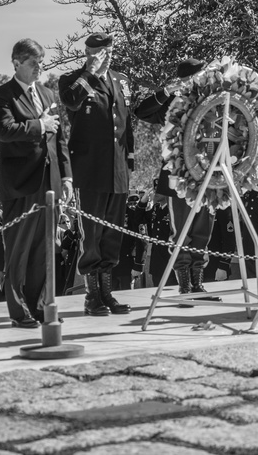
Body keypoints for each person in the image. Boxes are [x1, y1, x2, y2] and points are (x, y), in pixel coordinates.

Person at [0, 38, 72, 328]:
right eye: (34, 62)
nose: (40, 67)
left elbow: (60, 140)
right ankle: (19, 310)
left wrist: (66, 177)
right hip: (20, 184)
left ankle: (40, 307)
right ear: (17, 64)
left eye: (41, 61)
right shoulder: (3, 96)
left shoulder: (49, 94)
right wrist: (40, 125)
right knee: (19, 251)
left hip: (49, 184)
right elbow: (6, 131)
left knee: (44, 250)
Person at [59, 32, 135, 316]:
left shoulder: (121, 79)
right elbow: (72, 102)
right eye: (102, 51)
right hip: (89, 170)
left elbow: (127, 124)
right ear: (90, 53)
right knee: (91, 235)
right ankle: (93, 297)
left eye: (111, 50)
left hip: (117, 170)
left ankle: (107, 293)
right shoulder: (72, 80)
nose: (109, 55)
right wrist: (90, 73)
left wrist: (129, 161)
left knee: (111, 234)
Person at [133, 58, 220, 303]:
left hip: (208, 174)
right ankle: (184, 285)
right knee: (181, 231)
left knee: (203, 230)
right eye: (200, 74)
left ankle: (198, 284)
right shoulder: (172, 101)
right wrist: (167, 91)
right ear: (186, 78)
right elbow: (142, 111)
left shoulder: (213, 99)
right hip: (179, 175)